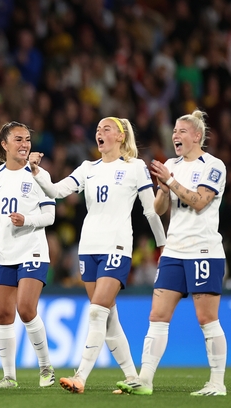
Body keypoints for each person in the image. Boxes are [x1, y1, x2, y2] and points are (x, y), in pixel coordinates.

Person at [28, 117, 167, 394]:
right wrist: (37, 170)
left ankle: (80, 376)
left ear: (120, 136)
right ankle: (132, 378)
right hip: (88, 248)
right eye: (97, 129)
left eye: (106, 129)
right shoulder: (87, 168)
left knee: (96, 312)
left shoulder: (134, 167)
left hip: (117, 246)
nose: (99, 133)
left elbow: (150, 210)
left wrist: (163, 245)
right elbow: (56, 190)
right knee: (108, 316)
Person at [117, 110, 228, 396]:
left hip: (204, 249)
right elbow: (158, 209)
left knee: (206, 319)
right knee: (157, 315)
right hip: (174, 250)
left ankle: (217, 383)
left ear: (197, 136)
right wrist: (164, 190)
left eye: (181, 131)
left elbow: (201, 202)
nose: (175, 135)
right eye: (175, 131)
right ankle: (145, 379)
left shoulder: (213, 166)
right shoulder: (170, 164)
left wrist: (172, 182)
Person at [0, 122, 56, 389]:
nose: (25, 144)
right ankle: (9, 377)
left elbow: (50, 216)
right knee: (3, 314)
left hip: (33, 250)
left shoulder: (39, 174)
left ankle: (46, 368)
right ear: (4, 145)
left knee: (26, 309)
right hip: (3, 253)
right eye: (18, 139)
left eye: (27, 139)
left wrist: (26, 220)